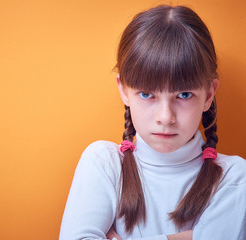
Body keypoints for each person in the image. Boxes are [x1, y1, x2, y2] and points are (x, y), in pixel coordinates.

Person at [59, 5, 246, 240]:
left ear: (209, 95)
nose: (165, 117)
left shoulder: (235, 178)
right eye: (147, 95)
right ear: (124, 91)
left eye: (184, 95)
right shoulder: (104, 163)